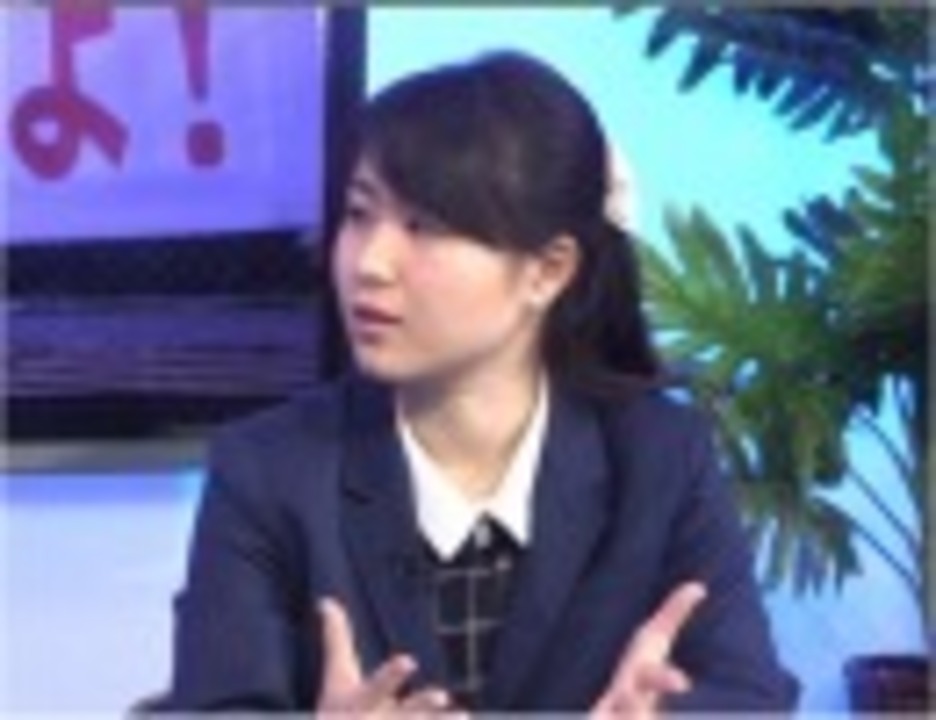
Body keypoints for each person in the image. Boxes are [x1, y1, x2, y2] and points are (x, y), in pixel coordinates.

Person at [162, 50, 798, 714]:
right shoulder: (269, 469)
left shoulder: (659, 455)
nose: (370, 263)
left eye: (424, 227)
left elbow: (747, 696)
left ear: (547, 271)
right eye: (359, 214)